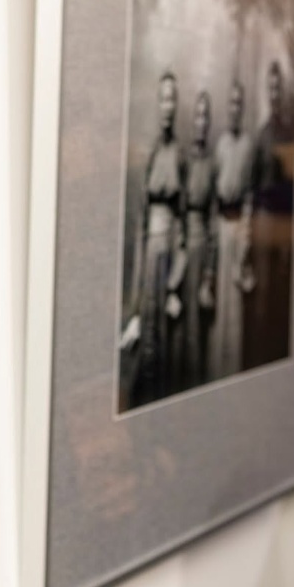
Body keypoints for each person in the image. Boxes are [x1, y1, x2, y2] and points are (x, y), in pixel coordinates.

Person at [120, 71, 187, 408]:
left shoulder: (181, 155)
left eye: (172, 99)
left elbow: (183, 221)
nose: (167, 106)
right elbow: (141, 222)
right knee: (144, 339)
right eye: (163, 98)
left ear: (177, 105)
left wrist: (176, 280)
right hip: (149, 257)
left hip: (169, 254)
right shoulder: (148, 153)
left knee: (167, 345)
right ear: (157, 103)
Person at [246, 61, 294, 368]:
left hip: (283, 224)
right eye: (271, 88)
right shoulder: (262, 135)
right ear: (266, 91)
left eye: (278, 88)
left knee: (280, 294)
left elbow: (292, 189)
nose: (274, 94)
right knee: (261, 297)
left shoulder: (288, 134)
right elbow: (253, 189)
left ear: (283, 92)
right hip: (263, 224)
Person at [208, 79, 254, 380]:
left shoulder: (247, 146)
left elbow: (249, 196)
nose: (235, 109)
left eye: (239, 103)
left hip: (238, 229)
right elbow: (215, 196)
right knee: (219, 310)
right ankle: (215, 376)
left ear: (243, 108)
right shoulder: (221, 145)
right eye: (231, 103)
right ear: (227, 108)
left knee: (235, 308)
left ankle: (232, 373)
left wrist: (244, 244)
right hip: (221, 227)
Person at [181, 91, 217, 389]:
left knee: (198, 331)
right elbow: (179, 210)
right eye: (198, 116)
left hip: (202, 248)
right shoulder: (184, 160)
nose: (201, 122)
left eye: (206, 116)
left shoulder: (211, 164)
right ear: (192, 121)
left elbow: (213, 219)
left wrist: (209, 274)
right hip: (182, 250)